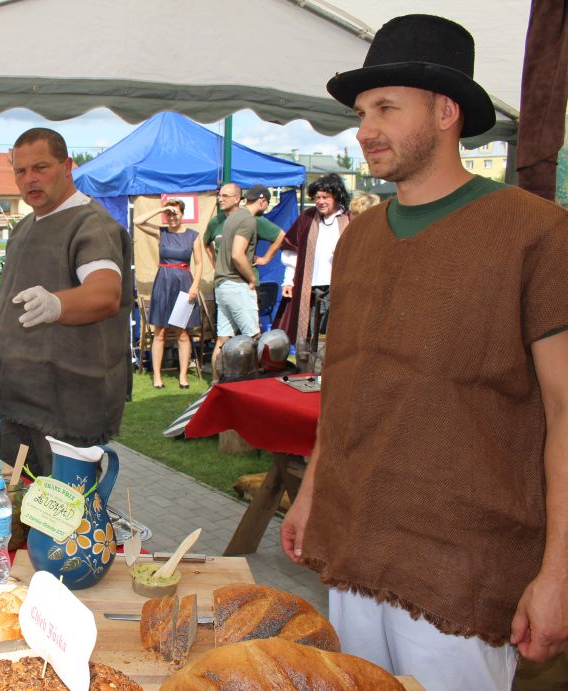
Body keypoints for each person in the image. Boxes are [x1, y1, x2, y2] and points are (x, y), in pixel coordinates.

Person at [280, 14, 568, 690]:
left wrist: (558, 572)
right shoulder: (359, 238)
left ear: (444, 111)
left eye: (386, 108)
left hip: (460, 571)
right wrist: (312, 490)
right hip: (353, 548)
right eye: (360, 113)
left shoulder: (537, 234)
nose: (364, 129)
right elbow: (345, 383)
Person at [0, 128, 132, 477]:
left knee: (66, 506)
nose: (29, 179)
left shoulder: (90, 224)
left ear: (67, 166)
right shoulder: (24, 227)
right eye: (21, 171)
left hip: (67, 408)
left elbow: (105, 293)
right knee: (18, 499)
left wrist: (56, 304)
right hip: (18, 399)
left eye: (40, 167)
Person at [133, 199, 202, 389]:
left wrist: (195, 286)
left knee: (182, 333)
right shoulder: (161, 232)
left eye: (175, 213)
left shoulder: (193, 235)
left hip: (184, 284)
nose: (172, 217)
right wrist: (161, 209)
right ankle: (157, 376)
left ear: (182, 214)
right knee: (160, 332)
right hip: (163, 283)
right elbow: (137, 221)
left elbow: (199, 263)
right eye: (169, 214)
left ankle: (183, 376)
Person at [275, 173, 350, 345]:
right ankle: (308, 361)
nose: (321, 201)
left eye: (325, 197)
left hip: (338, 287)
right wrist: (288, 281)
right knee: (308, 333)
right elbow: (292, 252)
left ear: (336, 197)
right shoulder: (307, 218)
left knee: (332, 333)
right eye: (317, 197)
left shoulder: (349, 219)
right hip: (309, 287)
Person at [203, 183, 260, 383]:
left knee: (223, 340)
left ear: (239, 198)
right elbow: (237, 255)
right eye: (220, 195)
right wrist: (252, 277)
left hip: (223, 285)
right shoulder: (246, 220)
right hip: (235, 284)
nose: (221, 199)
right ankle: (254, 387)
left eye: (225, 195)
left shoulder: (230, 220)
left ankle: (216, 386)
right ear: (262, 202)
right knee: (254, 338)